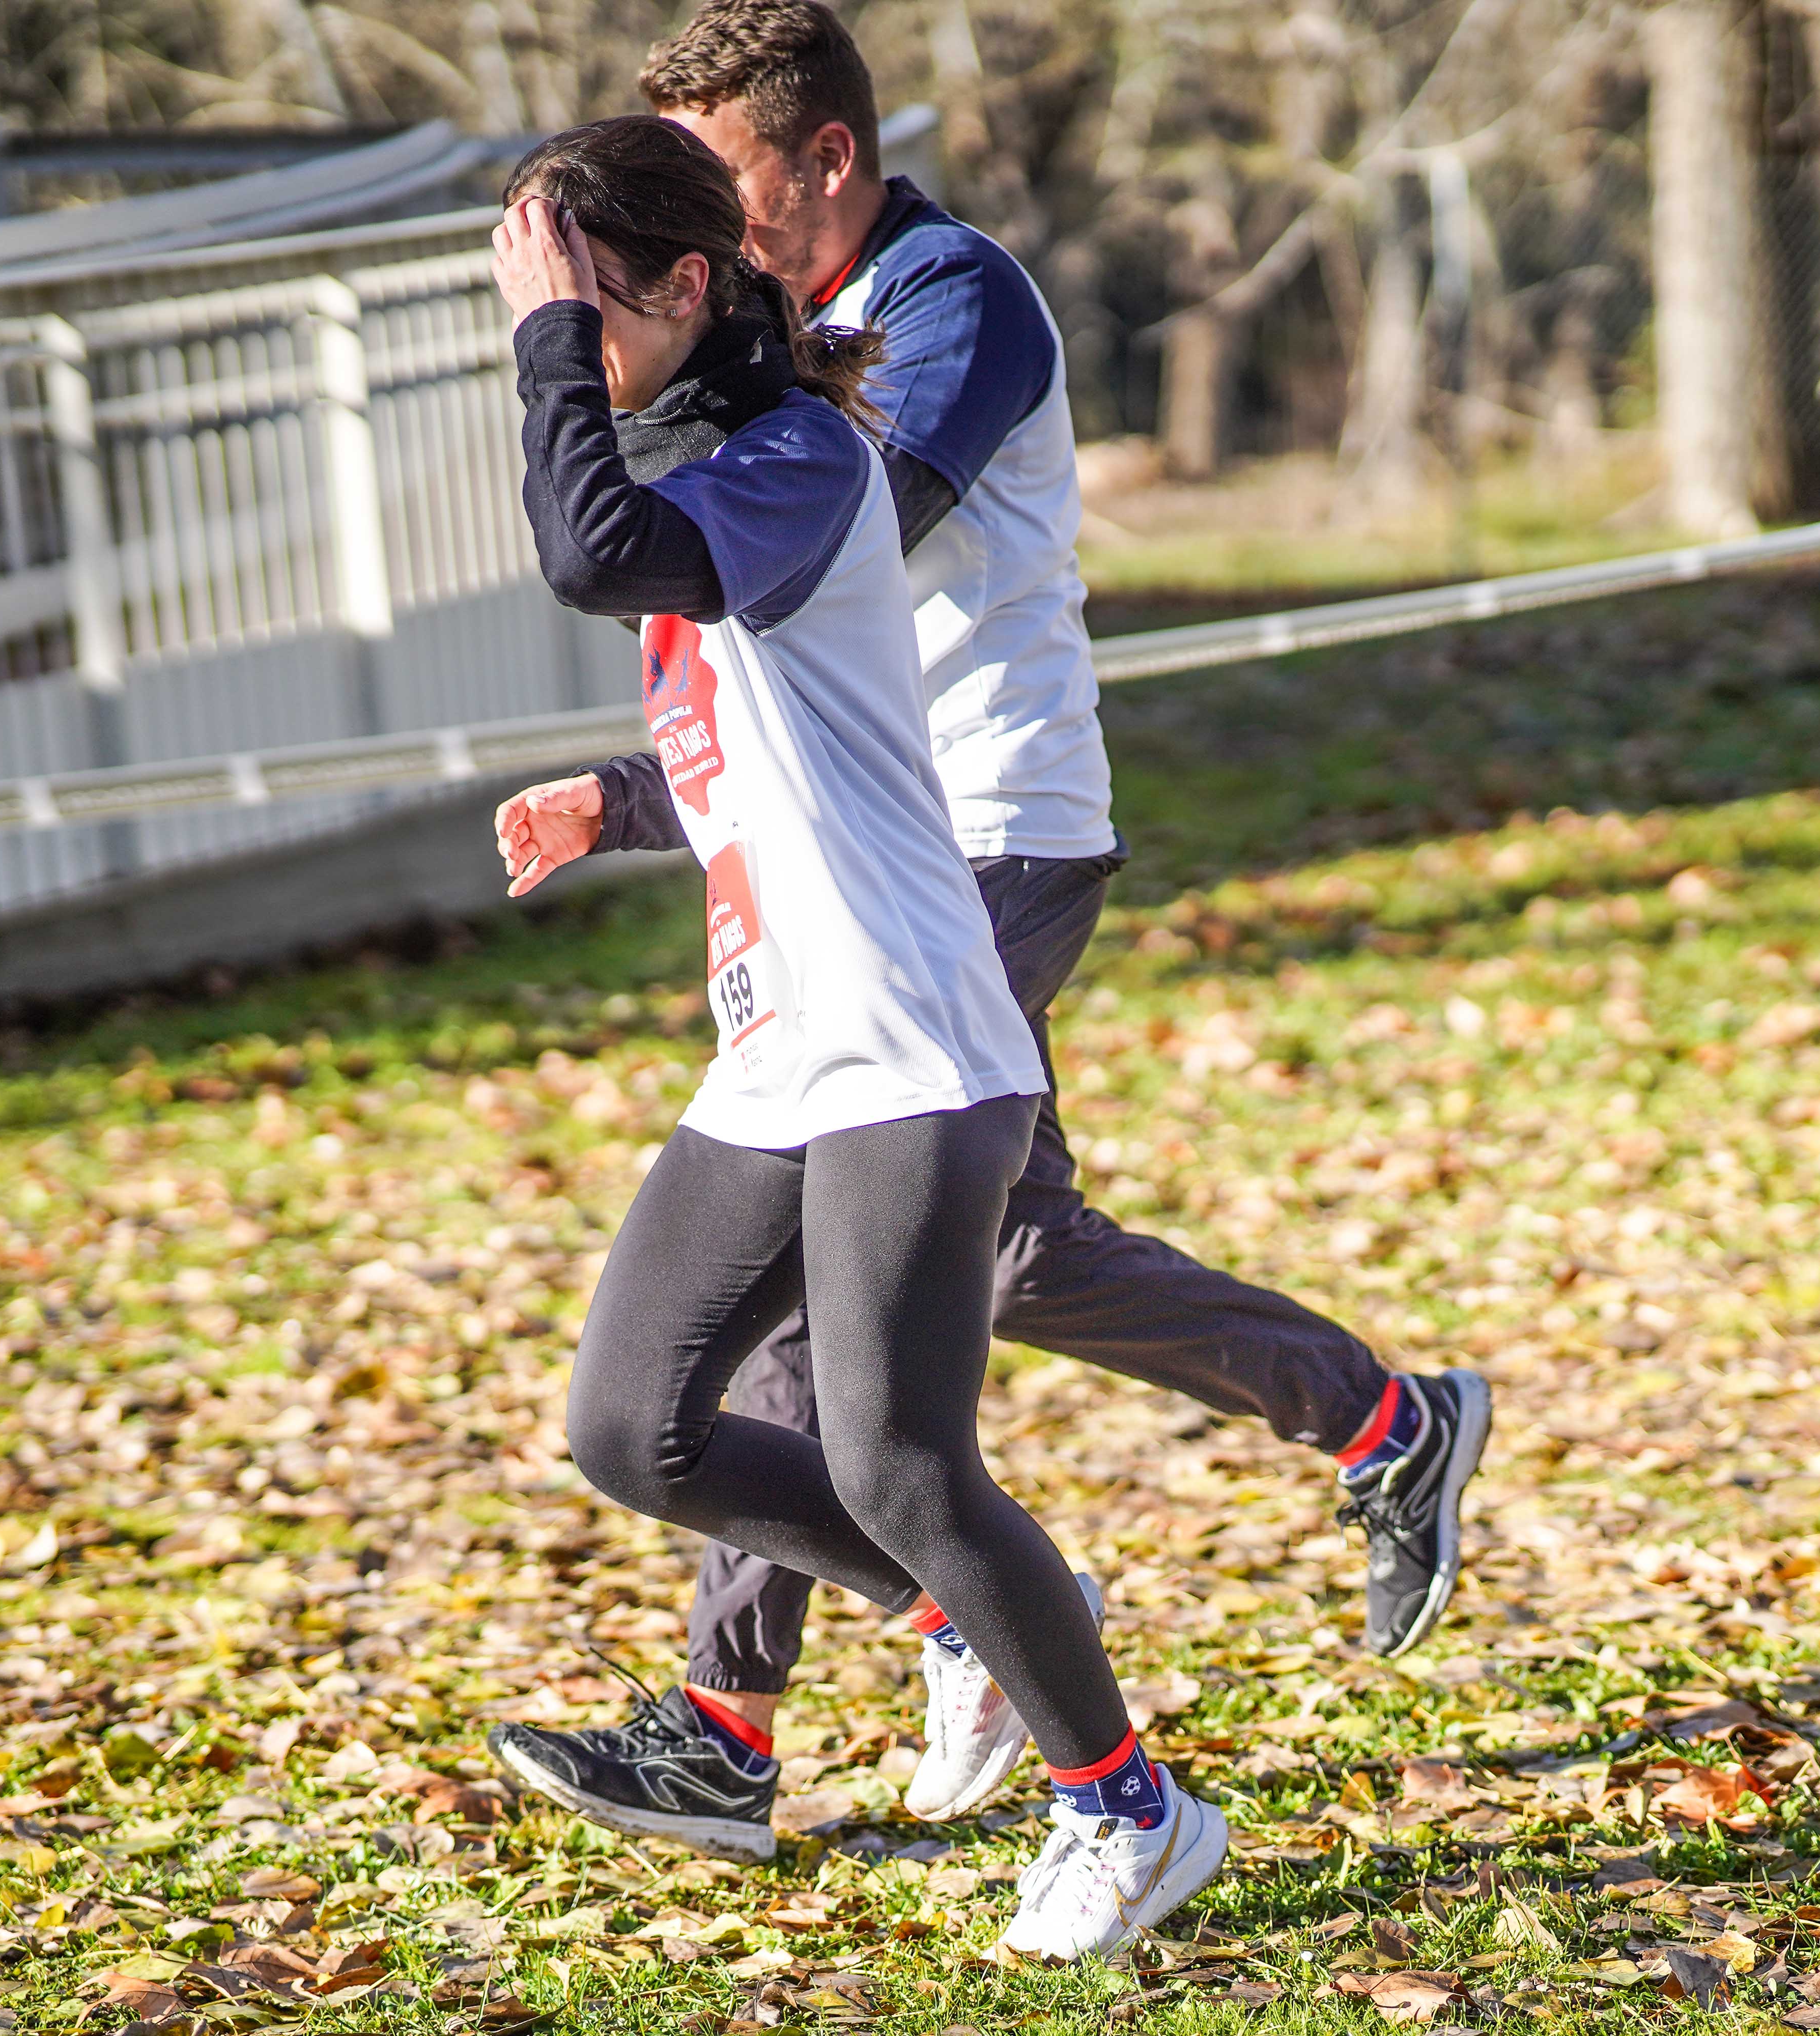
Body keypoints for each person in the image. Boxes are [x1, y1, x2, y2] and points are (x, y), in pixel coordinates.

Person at [485, 0, 1489, 1847]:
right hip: (849, 849)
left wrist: (627, 364)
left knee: (828, 1292)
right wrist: (629, 796)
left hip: (987, 828)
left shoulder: (945, 307)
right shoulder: (753, 373)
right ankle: (1371, 1421)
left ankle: (748, 1713)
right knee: (993, 1259)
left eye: (725, 182)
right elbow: (747, 678)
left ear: (829, 159)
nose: (703, 222)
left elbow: (834, 539)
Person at [477, 117, 1227, 1957]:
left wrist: (547, 349)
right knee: (632, 1431)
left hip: (911, 1031)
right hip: (784, 1046)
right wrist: (617, 802)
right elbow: (774, 739)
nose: (549, 324)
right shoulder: (727, 463)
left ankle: (1125, 1809)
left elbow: (592, 556)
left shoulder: (805, 451)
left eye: (577, 289)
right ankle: (983, 1606)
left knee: (899, 1459)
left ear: (675, 286)